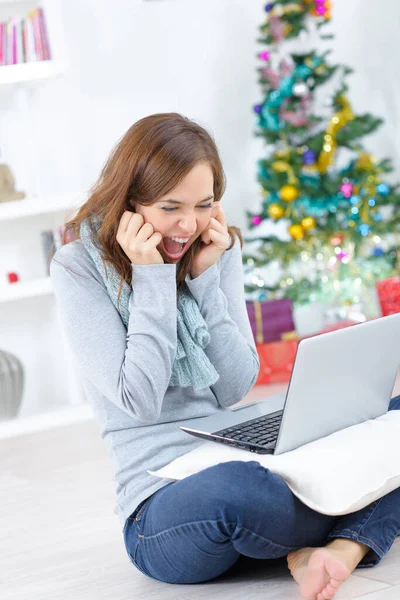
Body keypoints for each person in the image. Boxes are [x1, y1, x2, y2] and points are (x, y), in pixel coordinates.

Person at [50, 113, 400, 600]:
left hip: (232, 445)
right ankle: (353, 515)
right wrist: (152, 280)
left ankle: (343, 546)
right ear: (130, 202)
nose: (188, 225)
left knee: (392, 415)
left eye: (204, 205)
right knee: (244, 491)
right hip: (163, 504)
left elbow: (233, 388)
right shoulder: (79, 267)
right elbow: (140, 402)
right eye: (170, 207)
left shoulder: (214, 246)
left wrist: (204, 281)